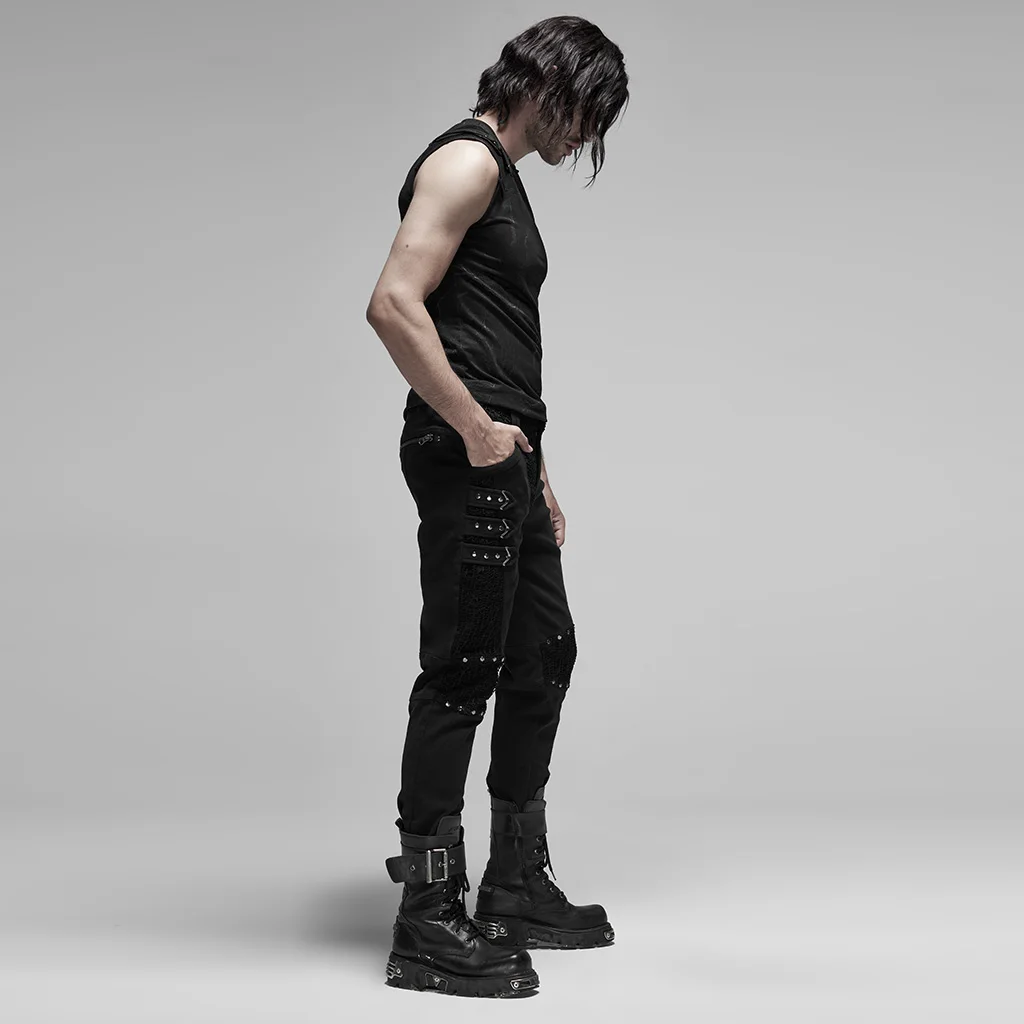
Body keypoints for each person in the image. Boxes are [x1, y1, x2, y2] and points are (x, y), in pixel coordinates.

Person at [365, 15, 629, 999]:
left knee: (543, 654)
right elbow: (393, 303)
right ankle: (427, 918)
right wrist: (478, 430)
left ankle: (514, 885)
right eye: (586, 114)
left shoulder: (502, 177)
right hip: (464, 449)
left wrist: (537, 470)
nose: (584, 138)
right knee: (462, 670)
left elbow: (494, 337)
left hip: (509, 456)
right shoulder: (466, 162)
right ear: (549, 85)